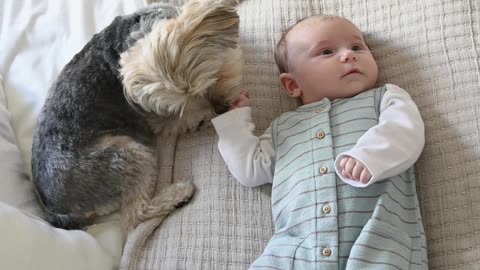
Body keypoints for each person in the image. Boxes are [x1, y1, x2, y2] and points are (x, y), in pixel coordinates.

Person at [212, 15, 428, 270]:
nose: (349, 55)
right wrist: (233, 121)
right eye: (326, 51)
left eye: (357, 47)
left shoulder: (384, 98)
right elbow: (251, 170)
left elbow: (404, 130)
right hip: (294, 249)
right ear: (292, 85)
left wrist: (370, 156)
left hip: (376, 242)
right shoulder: (283, 128)